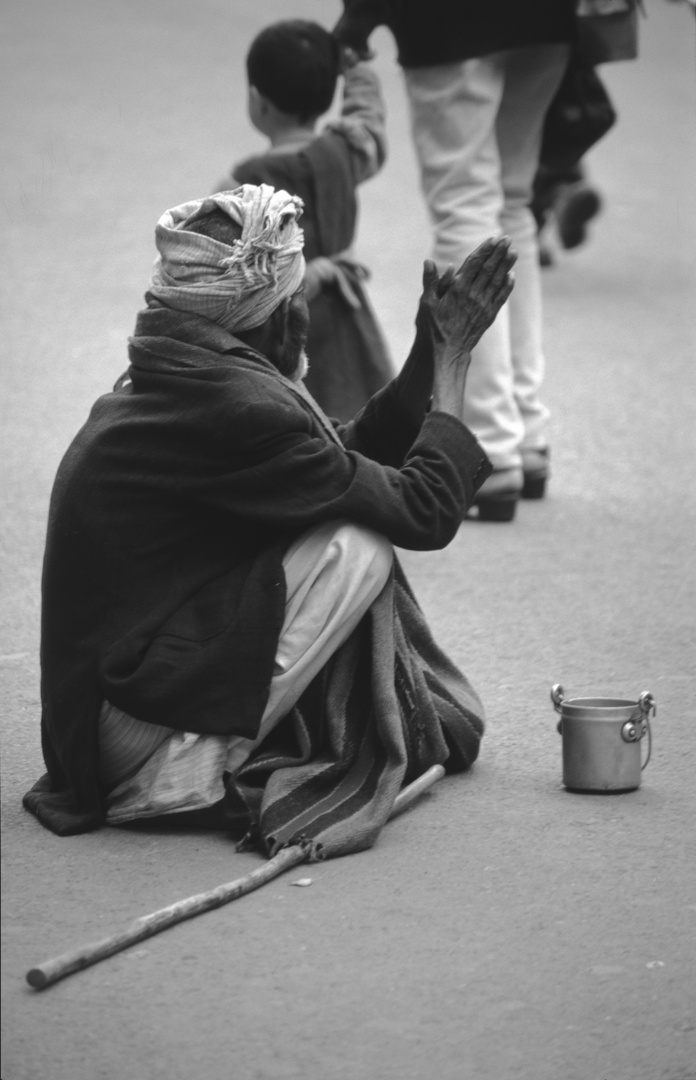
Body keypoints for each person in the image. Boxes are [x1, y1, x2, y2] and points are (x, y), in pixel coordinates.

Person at [23, 185, 516, 859]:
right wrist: (456, 363)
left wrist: (428, 349)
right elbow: (423, 511)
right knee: (357, 546)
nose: (305, 313)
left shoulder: (185, 369)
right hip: (121, 733)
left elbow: (337, 460)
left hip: (97, 716)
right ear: (276, 315)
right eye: (297, 299)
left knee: (333, 524)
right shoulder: (238, 405)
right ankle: (183, 774)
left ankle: (193, 743)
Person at [334, 0, 576, 519]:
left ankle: (488, 440)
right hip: (550, 15)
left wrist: (360, 11)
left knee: (464, 202)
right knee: (513, 200)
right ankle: (526, 431)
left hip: (451, 19)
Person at [215, 19, 393, 422]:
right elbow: (370, 123)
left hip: (278, 326)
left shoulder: (243, 184)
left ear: (257, 100)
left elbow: (220, 261)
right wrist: (358, 70)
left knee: (292, 420)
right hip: (347, 316)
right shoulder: (345, 151)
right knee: (357, 417)